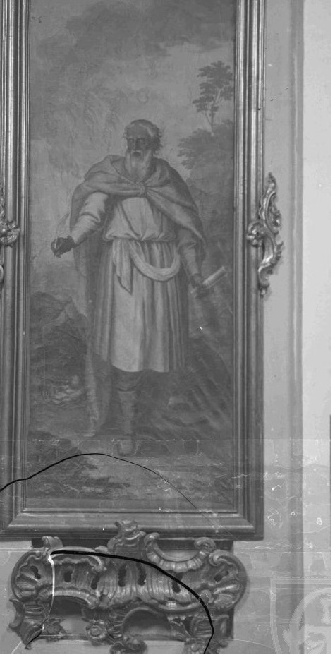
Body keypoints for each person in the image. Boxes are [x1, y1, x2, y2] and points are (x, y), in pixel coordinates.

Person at [51, 119, 216, 449]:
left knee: (159, 354)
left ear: (155, 144)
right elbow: (92, 213)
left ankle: (151, 422)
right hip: (122, 270)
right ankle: (126, 430)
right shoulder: (112, 175)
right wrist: (72, 239)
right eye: (132, 140)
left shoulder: (168, 180)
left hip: (165, 273)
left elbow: (186, 232)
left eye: (143, 141)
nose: (136, 146)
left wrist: (196, 274)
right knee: (127, 352)